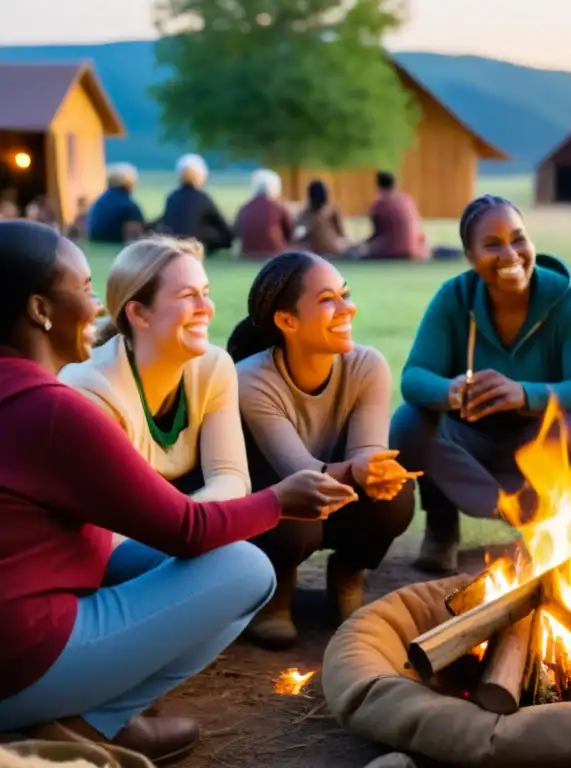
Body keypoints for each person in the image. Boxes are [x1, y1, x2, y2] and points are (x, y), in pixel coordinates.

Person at [0, 221, 355, 764]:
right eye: (87, 288)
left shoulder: (21, 394)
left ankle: (88, 711)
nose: (98, 308)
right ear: (40, 310)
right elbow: (186, 530)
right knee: (244, 570)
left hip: (36, 609)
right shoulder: (56, 409)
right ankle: (97, 721)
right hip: (20, 660)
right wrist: (281, 499)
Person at [390, 195, 571, 574]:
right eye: (493, 244)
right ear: (471, 257)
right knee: (409, 421)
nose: (510, 254)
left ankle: (560, 526)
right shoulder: (454, 299)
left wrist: (525, 394)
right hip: (467, 441)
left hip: (535, 442)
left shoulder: (569, 301)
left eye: (518, 238)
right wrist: (451, 390)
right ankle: (442, 527)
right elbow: (413, 378)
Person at [227, 252, 416, 649]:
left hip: (337, 496)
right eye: (328, 299)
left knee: (395, 498)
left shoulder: (367, 365)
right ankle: (274, 590)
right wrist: (360, 471)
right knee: (296, 509)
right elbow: (298, 470)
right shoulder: (249, 379)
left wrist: (376, 471)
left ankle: (348, 572)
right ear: (286, 321)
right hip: (284, 505)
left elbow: (368, 450)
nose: (348, 308)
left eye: (345, 294)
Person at [60, 237, 249, 503]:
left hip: (182, 519)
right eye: (187, 296)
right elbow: (114, 514)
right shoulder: (93, 389)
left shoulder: (213, 367)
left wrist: (194, 523)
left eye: (205, 294)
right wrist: (193, 527)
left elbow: (230, 476)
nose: (207, 309)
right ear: (139, 313)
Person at [155, 154, 233, 254]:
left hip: (173, 244)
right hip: (194, 245)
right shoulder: (202, 198)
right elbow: (223, 227)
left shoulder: (172, 197)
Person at [355, 171, 428, 261]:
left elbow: (377, 234)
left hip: (392, 252)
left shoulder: (378, 206)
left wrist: (359, 245)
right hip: (415, 252)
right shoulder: (408, 201)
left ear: (377, 185)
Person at [235, 169, 292, 260]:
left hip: (247, 253)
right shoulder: (278, 207)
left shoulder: (245, 207)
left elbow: (237, 231)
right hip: (275, 253)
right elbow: (289, 232)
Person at [87, 164, 145, 244]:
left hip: (96, 239)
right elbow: (133, 235)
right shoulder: (129, 206)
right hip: (115, 240)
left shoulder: (99, 201)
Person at [291, 179, 349, 258]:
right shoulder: (307, 215)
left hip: (332, 250)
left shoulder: (331, 212)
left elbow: (342, 234)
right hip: (320, 251)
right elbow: (297, 236)